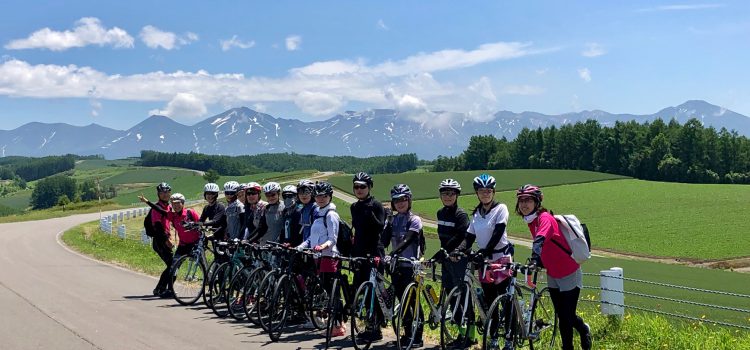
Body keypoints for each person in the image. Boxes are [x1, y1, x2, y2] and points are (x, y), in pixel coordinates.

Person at [516, 184, 592, 350]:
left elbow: (540, 240)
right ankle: (581, 328)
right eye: (521, 200)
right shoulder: (531, 221)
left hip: (569, 271)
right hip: (553, 273)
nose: (524, 204)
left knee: (566, 316)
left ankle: (579, 333)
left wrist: (535, 259)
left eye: (528, 200)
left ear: (537, 201)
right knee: (562, 315)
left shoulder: (545, 219)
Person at [466, 174, 514, 350]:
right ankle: (493, 337)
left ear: (493, 192)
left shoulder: (501, 208)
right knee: (489, 301)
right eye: (481, 191)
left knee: (505, 301)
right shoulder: (477, 214)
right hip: (485, 262)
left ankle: (509, 338)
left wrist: (484, 251)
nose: (485, 194)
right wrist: (458, 250)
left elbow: (498, 232)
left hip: (501, 259)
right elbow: (469, 237)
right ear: (477, 193)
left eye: (488, 191)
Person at [295, 181, 345, 337]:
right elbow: (311, 237)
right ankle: (334, 323)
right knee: (326, 291)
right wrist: (300, 247)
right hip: (318, 257)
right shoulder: (319, 214)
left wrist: (323, 246)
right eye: (318, 196)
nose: (321, 199)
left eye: (324, 196)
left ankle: (338, 326)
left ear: (330, 196)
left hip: (329, 257)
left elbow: (333, 239)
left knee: (332, 292)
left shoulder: (331, 215)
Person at [381, 184, 424, 349]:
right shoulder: (393, 220)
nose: (400, 203)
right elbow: (384, 241)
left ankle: (418, 336)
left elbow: (408, 239)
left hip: (412, 266)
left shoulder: (415, 219)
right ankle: (407, 334)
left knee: (413, 302)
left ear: (409, 200)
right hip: (397, 266)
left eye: (403, 199)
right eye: (396, 200)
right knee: (402, 300)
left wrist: (392, 253)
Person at [433, 178, 475, 347]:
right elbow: (443, 239)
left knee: (463, 298)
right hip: (446, 259)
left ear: (457, 195)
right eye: (445, 193)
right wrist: (442, 254)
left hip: (459, 260)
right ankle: (460, 334)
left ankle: (470, 336)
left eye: (451, 193)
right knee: (451, 298)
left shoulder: (461, 214)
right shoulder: (440, 213)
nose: (448, 197)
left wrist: (450, 252)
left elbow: (462, 237)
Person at [349, 172, 386, 342]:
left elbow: (379, 228)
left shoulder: (376, 205)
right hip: (360, 252)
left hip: (375, 252)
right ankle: (368, 323)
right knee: (360, 289)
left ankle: (376, 328)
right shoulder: (354, 207)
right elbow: (357, 231)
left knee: (375, 292)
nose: (359, 189)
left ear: (369, 187)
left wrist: (370, 212)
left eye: (362, 186)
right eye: (356, 186)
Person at [139, 192, 201, 293]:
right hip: (183, 245)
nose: (176, 206)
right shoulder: (172, 216)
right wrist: (147, 202)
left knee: (203, 266)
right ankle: (169, 289)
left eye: (178, 203)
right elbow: (158, 209)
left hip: (196, 244)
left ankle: (210, 285)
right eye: (173, 204)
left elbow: (201, 224)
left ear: (183, 203)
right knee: (174, 267)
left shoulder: (190, 213)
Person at [148, 182, 173, 298]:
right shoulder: (157, 208)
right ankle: (160, 289)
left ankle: (167, 289)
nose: (165, 194)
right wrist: (166, 240)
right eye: (162, 192)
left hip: (165, 239)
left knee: (173, 265)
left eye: (167, 192)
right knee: (172, 265)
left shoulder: (168, 207)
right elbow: (157, 226)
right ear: (158, 194)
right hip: (160, 240)